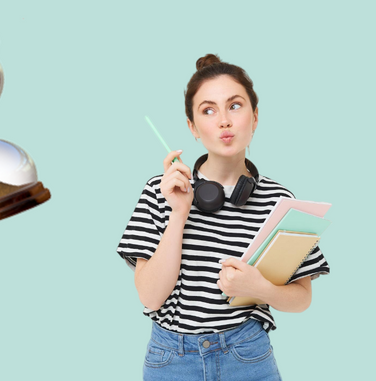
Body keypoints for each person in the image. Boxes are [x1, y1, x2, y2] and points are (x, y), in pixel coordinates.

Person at [116, 54, 330, 381]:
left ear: (255, 117)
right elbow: (150, 296)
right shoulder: (161, 190)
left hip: (248, 354)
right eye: (208, 110)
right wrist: (179, 213)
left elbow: (302, 298)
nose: (224, 121)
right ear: (193, 127)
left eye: (234, 106)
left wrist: (259, 288)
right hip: (172, 359)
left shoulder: (280, 201)